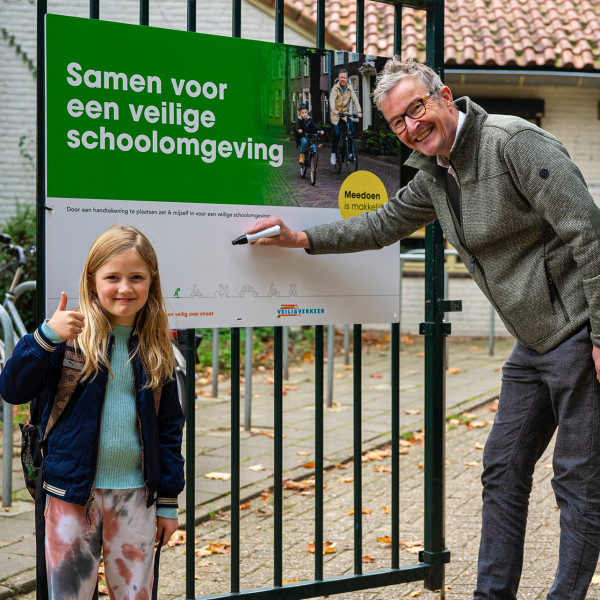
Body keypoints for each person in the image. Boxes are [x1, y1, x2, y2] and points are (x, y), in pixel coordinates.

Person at [246, 56, 600, 600]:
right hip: (533, 342)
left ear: (444, 97)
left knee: (577, 480)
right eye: (397, 121)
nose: (411, 125)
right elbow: (383, 223)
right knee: (502, 470)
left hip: (577, 331)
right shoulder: (434, 174)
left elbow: (589, 236)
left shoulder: (514, 144)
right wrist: (305, 239)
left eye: (417, 108)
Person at [0, 224, 184, 600]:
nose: (124, 288)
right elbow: (12, 389)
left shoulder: (156, 347)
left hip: (137, 497)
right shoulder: (68, 338)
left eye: (136, 277)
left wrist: (167, 501)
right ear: (92, 280)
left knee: (136, 594)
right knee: (69, 595)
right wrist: (45, 337)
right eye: (112, 277)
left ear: (152, 281)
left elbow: (169, 428)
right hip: (70, 496)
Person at [329, 68, 362, 165]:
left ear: (347, 78)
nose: (342, 79)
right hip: (336, 115)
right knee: (336, 133)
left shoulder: (350, 88)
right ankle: (334, 153)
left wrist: (359, 111)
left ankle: (350, 153)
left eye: (344, 77)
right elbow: (332, 98)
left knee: (351, 131)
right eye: (340, 77)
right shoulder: (335, 88)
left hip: (345, 115)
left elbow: (355, 100)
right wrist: (333, 109)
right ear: (339, 78)